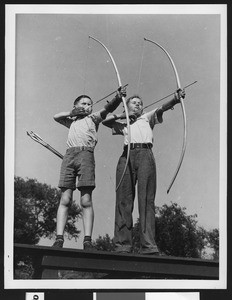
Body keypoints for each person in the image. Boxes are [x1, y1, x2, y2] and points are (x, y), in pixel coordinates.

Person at [102, 89, 185, 255]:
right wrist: (123, 115)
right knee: (123, 200)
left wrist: (175, 100)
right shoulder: (123, 122)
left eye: (140, 103)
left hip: (146, 154)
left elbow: (162, 108)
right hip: (126, 156)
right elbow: (105, 121)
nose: (138, 105)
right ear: (127, 106)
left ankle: (148, 246)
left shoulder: (146, 117)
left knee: (146, 200)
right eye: (134, 103)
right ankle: (122, 245)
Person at [52, 87, 126, 250]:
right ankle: (59, 238)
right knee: (65, 199)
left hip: (86, 156)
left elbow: (107, 109)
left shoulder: (93, 118)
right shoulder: (71, 121)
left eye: (89, 104)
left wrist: (118, 98)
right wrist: (73, 111)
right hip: (69, 156)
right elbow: (56, 116)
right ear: (76, 106)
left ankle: (87, 240)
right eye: (83, 103)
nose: (87, 106)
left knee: (86, 200)